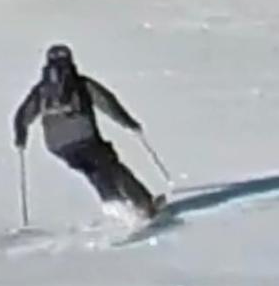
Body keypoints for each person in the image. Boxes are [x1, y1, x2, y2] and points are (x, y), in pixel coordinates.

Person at [13, 44, 166, 219]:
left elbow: (22, 114)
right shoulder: (81, 83)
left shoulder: (41, 90)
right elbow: (107, 103)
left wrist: (20, 137)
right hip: (85, 137)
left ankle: (115, 203)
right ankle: (141, 204)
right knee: (110, 166)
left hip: (57, 146)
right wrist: (128, 123)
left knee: (92, 170)